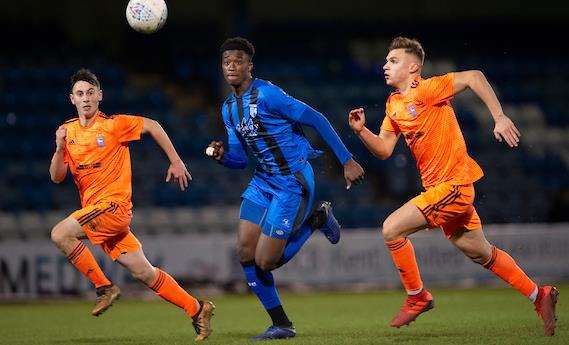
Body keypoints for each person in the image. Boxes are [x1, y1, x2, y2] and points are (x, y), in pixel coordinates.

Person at [348, 37, 558, 336]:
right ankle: (540, 295)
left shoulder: (428, 89)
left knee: (391, 229)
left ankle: (417, 295)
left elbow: (475, 76)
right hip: (443, 189)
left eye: (393, 61)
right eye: (386, 60)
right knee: (478, 251)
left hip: (453, 185)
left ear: (413, 67)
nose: (385, 65)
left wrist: (498, 117)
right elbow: (383, 149)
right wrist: (361, 131)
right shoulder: (394, 103)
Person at [207, 37, 364, 340]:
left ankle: (316, 221)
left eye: (238, 60)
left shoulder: (268, 95)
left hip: (292, 182)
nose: (231, 65)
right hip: (261, 181)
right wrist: (223, 157)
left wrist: (347, 160)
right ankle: (282, 324)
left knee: (266, 262)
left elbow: (316, 119)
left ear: (249, 66)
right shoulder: (228, 109)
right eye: (226, 60)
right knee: (244, 252)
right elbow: (240, 160)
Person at [49, 68, 214, 341]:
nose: (86, 98)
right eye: (80, 94)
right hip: (97, 214)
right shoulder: (67, 132)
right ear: (72, 99)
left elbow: (153, 125)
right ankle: (197, 309)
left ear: (100, 96)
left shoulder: (114, 125)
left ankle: (104, 288)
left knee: (60, 233)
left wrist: (175, 160)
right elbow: (57, 177)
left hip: (113, 207)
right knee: (144, 272)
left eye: (91, 92)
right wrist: (58, 148)